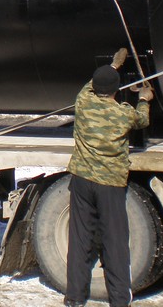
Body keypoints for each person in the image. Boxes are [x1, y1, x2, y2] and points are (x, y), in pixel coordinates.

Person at [64, 48, 154, 307]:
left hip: (81, 180)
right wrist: (144, 98)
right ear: (117, 90)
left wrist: (114, 65)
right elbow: (142, 120)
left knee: (79, 240)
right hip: (110, 185)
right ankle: (119, 300)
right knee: (115, 243)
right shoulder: (123, 114)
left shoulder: (83, 102)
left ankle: (74, 298)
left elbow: (90, 84)